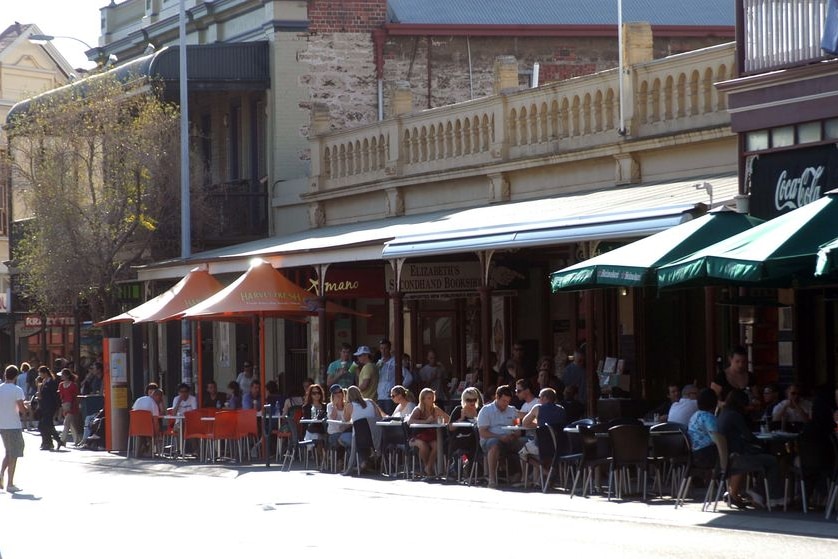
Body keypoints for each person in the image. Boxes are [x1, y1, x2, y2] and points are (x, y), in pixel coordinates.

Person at [717, 389, 784, 509]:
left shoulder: (723, 414)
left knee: (765, 459)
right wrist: (761, 444)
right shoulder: (735, 415)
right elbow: (748, 436)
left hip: (727, 457)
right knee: (772, 460)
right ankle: (769, 496)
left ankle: (756, 493)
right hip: (738, 457)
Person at [477, 385, 523, 488]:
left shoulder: (513, 410)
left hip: (509, 439)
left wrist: (515, 434)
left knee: (527, 443)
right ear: (496, 397)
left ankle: (527, 476)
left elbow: (518, 428)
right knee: (494, 444)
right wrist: (499, 437)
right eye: (503, 401)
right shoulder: (486, 410)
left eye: (508, 401)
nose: (506, 404)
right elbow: (482, 432)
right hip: (490, 440)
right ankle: (492, 478)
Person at [407, 388, 449, 477]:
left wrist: (442, 415)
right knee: (423, 445)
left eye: (432, 398)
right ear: (423, 399)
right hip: (417, 436)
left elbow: (448, 419)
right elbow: (410, 421)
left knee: (437, 445)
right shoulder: (418, 409)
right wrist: (425, 421)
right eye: (429, 398)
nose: (431, 400)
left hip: (431, 435)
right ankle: (428, 468)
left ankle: (428, 467)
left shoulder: (435, 409)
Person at [519, 387, 567, 462]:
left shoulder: (537, 408)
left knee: (522, 453)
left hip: (542, 446)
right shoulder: (561, 409)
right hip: (560, 446)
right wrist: (540, 425)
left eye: (540, 397)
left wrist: (540, 426)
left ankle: (545, 471)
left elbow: (525, 423)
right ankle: (541, 472)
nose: (538, 399)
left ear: (544, 398)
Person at [1, 365, 27, 492]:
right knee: (14, 454)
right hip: (13, 424)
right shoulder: (17, 390)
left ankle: (1, 475)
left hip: (2, 424)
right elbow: (21, 409)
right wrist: (27, 410)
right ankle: (10, 483)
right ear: (16, 376)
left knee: (8, 452)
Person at [687, 389, 720, 471]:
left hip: (694, 455)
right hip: (707, 455)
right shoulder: (709, 417)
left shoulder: (694, 416)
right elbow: (717, 439)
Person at [36, 366, 61, 450]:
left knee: (45, 424)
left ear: (45, 373)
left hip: (50, 406)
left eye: (41, 372)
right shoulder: (43, 382)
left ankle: (53, 441)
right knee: (46, 425)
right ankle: (49, 442)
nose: (40, 374)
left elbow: (55, 395)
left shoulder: (52, 382)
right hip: (43, 406)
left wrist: (58, 407)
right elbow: (40, 395)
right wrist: (39, 388)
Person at [377, 338, 404, 415]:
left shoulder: (395, 361)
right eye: (382, 348)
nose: (383, 350)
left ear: (389, 349)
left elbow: (408, 377)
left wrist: (399, 390)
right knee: (381, 419)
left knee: (389, 418)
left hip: (390, 397)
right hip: (380, 396)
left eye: (385, 348)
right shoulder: (379, 363)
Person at [58, 368, 82, 447]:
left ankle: (62, 440)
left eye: (63, 375)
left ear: (67, 376)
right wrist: (63, 406)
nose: (61, 376)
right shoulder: (61, 385)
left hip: (72, 406)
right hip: (65, 405)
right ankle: (77, 439)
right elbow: (61, 396)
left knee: (66, 423)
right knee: (71, 424)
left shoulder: (73, 385)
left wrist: (73, 405)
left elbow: (75, 396)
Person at [326, 384, 349, 451]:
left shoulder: (347, 405)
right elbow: (333, 418)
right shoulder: (330, 406)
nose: (338, 394)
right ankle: (339, 460)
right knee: (338, 438)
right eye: (335, 393)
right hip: (334, 432)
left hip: (345, 431)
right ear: (332, 395)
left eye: (340, 392)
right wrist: (335, 406)